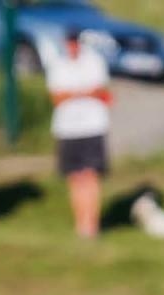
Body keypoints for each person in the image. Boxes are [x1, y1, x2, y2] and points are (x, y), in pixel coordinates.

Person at [46, 29, 112, 239]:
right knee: (75, 177)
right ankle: (80, 224)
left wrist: (74, 93)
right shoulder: (58, 65)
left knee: (91, 175)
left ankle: (92, 225)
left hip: (92, 126)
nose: (72, 46)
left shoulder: (94, 62)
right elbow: (57, 97)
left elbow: (100, 91)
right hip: (68, 129)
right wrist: (82, 92)